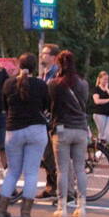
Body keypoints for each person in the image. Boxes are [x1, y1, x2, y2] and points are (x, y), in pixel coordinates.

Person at [0, 53, 50, 217]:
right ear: (35, 67)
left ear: (19, 65)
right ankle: (25, 214)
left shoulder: (8, 83)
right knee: (31, 173)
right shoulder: (41, 85)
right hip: (36, 129)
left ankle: (1, 210)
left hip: (14, 130)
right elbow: (47, 106)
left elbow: (4, 105)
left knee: (12, 172)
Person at [48, 50, 91, 217]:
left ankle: (62, 207)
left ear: (59, 64)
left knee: (62, 170)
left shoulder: (54, 84)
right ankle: (82, 207)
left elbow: (51, 105)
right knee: (80, 169)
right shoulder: (84, 84)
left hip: (62, 129)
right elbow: (85, 103)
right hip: (80, 129)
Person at [35, 43, 61, 198]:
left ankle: (56, 186)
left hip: (53, 118)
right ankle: (51, 185)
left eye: (44, 53)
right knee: (46, 155)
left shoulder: (56, 74)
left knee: (52, 154)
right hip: (44, 118)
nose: (41, 56)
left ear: (53, 57)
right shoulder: (44, 74)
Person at [92, 70, 109, 145]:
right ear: (100, 79)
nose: (106, 81)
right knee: (102, 133)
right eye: (104, 79)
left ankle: (101, 150)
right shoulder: (96, 89)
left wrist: (107, 89)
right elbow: (97, 101)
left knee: (107, 133)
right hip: (99, 113)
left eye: (107, 79)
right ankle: (100, 150)